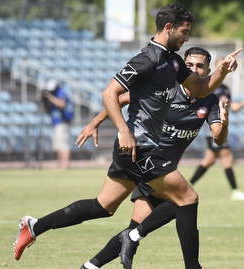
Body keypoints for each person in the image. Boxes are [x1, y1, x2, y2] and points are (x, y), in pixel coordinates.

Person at [13, 3, 241, 269]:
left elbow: (201, 89)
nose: (187, 38)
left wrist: (223, 69)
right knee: (187, 199)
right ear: (168, 28)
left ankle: (35, 226)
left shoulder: (173, 62)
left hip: (137, 149)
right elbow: (110, 93)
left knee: (103, 206)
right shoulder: (147, 59)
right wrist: (123, 130)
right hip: (140, 145)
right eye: (184, 31)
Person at [76, 47, 227, 269]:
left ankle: (91, 266)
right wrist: (96, 121)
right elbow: (120, 98)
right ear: (183, 67)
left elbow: (218, 138)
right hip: (150, 163)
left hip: (164, 170)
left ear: (208, 70)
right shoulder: (169, 88)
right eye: (190, 65)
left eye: (200, 66)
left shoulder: (210, 100)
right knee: (183, 202)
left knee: (135, 228)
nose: (194, 70)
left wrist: (226, 119)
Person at [188, 62, 244, 201]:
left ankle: (188, 184)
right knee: (227, 157)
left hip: (217, 127)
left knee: (209, 160)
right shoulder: (207, 85)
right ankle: (235, 191)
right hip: (212, 128)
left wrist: (240, 105)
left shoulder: (225, 88)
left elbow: (231, 106)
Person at [42, 79, 74, 170]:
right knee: (58, 144)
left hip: (63, 122)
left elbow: (62, 104)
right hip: (57, 123)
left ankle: (65, 163)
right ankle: (60, 163)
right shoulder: (55, 94)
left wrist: (50, 97)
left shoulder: (61, 93)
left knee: (63, 143)